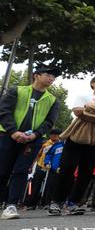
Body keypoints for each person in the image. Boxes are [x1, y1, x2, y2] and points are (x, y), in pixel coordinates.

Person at [49, 75, 95, 216]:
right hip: (77, 137)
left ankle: (74, 202)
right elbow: (78, 112)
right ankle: (56, 202)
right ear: (92, 84)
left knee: (86, 172)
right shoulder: (83, 96)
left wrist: (91, 109)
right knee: (67, 169)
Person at [0, 66, 60, 220]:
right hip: (7, 136)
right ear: (36, 75)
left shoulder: (53, 100)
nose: (51, 78)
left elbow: (49, 122)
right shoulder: (17, 90)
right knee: (2, 170)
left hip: (32, 140)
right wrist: (13, 131)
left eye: (53, 77)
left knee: (21, 171)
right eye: (48, 75)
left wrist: (34, 135)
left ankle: (11, 205)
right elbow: (4, 111)